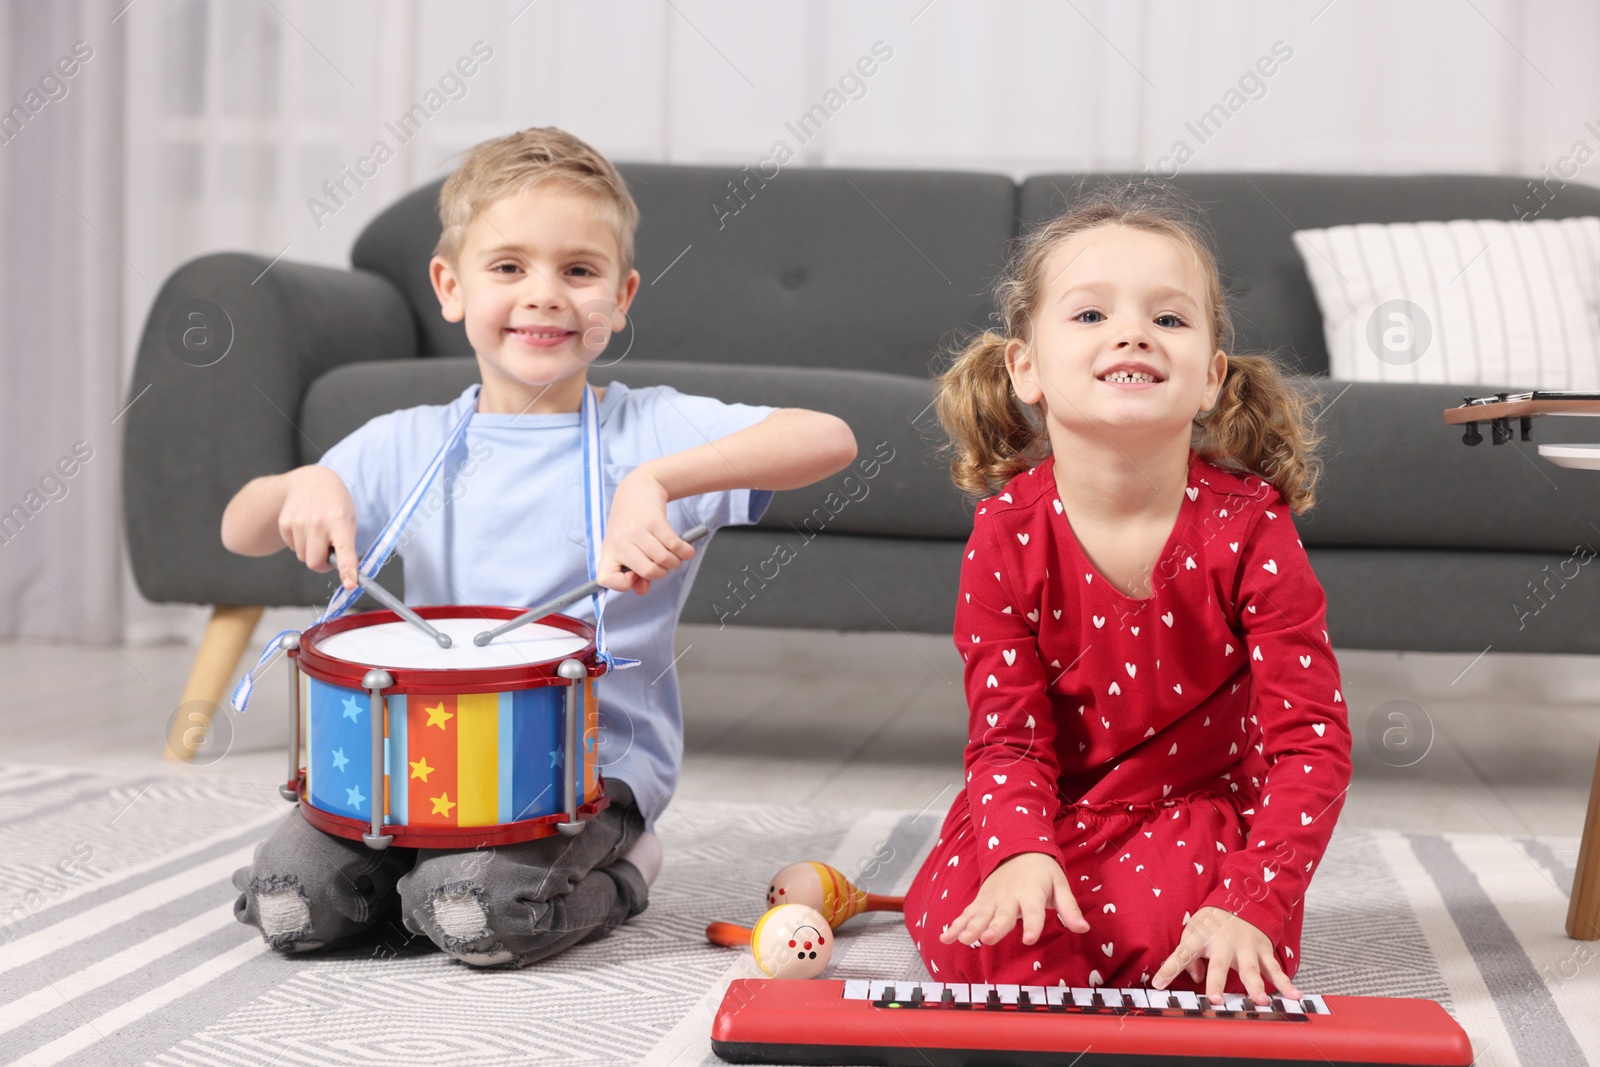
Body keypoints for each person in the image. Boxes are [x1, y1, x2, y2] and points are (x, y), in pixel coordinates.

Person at [220, 127, 856, 967]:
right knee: (288, 905)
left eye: (579, 270)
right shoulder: (406, 444)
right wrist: (300, 486)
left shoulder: (648, 430)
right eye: (510, 266)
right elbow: (240, 526)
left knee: (477, 912)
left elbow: (831, 436)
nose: (545, 294)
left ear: (621, 297)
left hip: (584, 774)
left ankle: (623, 866)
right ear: (450, 286)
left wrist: (657, 483)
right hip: (417, 763)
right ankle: (420, 871)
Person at [905, 183, 1352, 1006]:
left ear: (1212, 377)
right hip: (1043, 807)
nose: (1133, 333)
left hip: (1195, 813)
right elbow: (1006, 741)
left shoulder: (1253, 528)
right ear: (1025, 366)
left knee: (1203, 955)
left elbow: (1310, 746)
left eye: (1169, 319)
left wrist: (1254, 896)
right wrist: (1019, 854)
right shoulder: (1005, 531)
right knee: (980, 939)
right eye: (1090, 315)